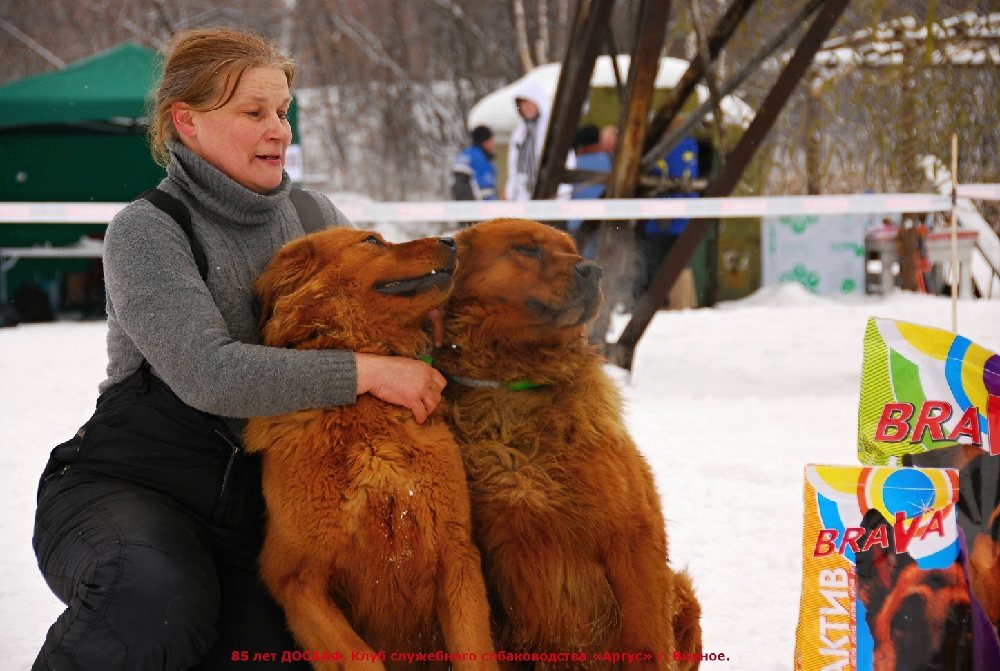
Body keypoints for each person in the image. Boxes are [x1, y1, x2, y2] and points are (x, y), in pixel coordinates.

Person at [31, 27, 446, 671]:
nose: (278, 129)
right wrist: (368, 372)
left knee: (290, 650)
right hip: (133, 489)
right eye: (253, 113)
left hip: (256, 515)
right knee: (155, 601)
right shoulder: (147, 230)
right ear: (186, 121)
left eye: (281, 111)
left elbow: (393, 321)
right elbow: (210, 374)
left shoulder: (318, 217)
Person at [634, 116, 700, 302]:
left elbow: (666, 174)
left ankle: (666, 301)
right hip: (685, 211)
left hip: (664, 213)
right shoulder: (690, 144)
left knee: (659, 260)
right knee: (680, 259)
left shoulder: (667, 146)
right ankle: (685, 301)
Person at [504, 79, 573, 201]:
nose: (525, 108)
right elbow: (514, 168)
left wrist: (562, 195)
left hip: (552, 196)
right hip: (524, 198)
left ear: (537, 102)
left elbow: (567, 163)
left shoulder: (554, 129)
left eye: (528, 103)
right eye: (521, 104)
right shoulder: (519, 134)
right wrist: (510, 195)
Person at [451, 125, 497, 201]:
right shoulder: (479, 158)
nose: (494, 144)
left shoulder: (464, 154)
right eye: (491, 140)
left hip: (464, 205)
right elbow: (485, 188)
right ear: (484, 141)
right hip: (479, 206)